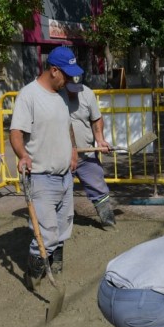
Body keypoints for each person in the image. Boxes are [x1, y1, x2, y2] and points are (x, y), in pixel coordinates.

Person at [10, 46, 82, 285]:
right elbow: (16, 133)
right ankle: (34, 275)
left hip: (64, 176)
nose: (71, 80)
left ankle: (55, 265)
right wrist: (22, 155)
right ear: (53, 70)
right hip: (41, 176)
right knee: (47, 234)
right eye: (67, 74)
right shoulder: (28, 96)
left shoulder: (61, 95)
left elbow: (67, 126)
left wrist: (72, 150)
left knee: (62, 229)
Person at [66, 80, 117, 228]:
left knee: (98, 188)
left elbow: (96, 119)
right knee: (60, 194)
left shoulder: (86, 93)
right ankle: (60, 228)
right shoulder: (54, 96)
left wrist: (100, 140)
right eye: (71, 89)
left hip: (86, 154)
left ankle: (107, 220)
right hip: (61, 158)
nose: (74, 92)